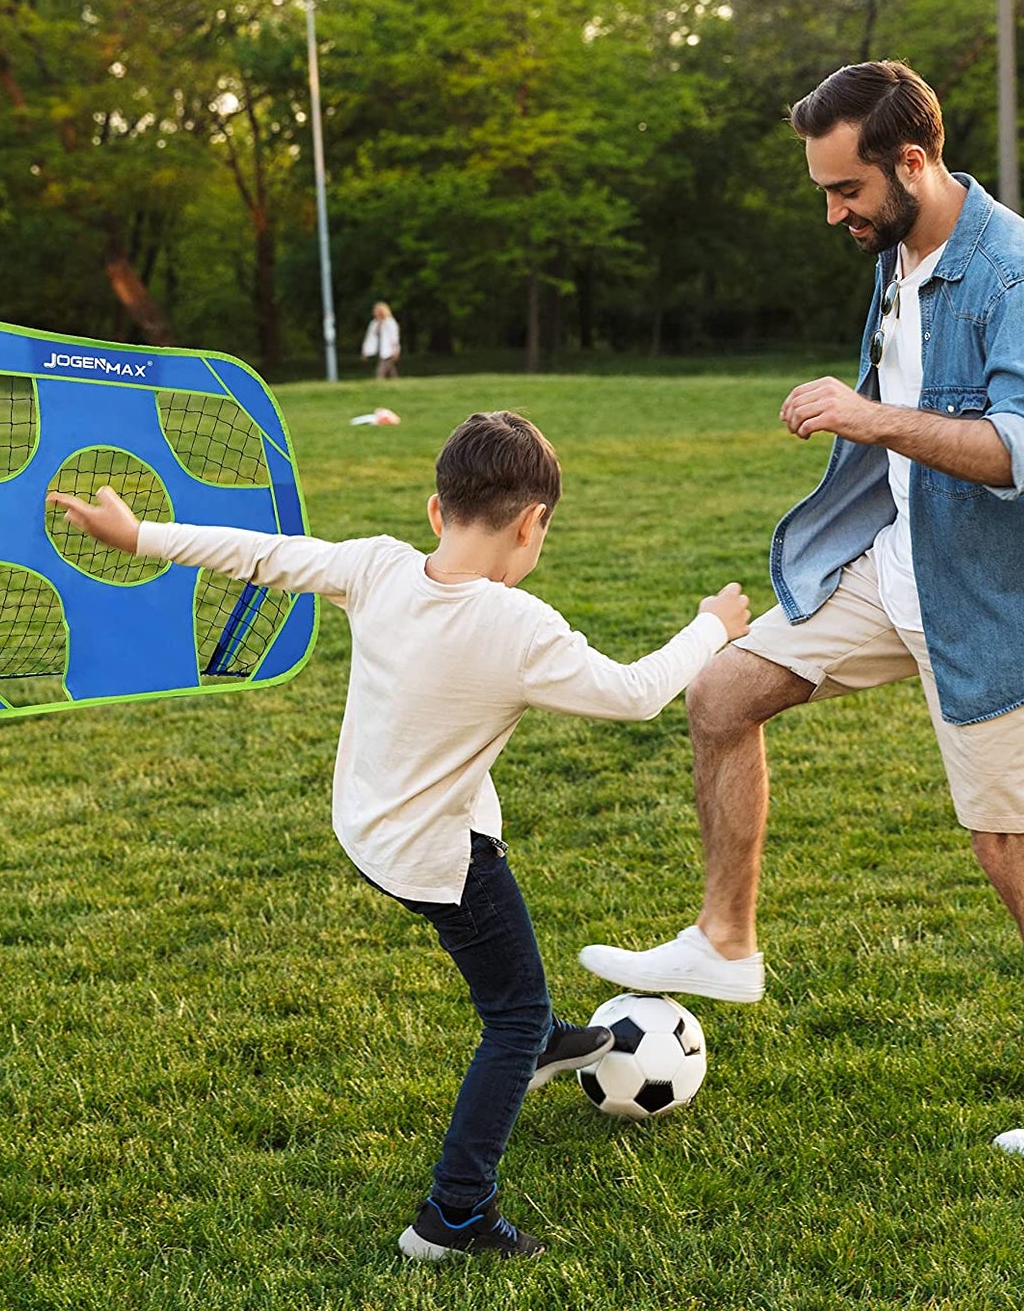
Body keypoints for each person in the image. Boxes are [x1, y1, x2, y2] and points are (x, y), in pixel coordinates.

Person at [580, 60, 1024, 1156]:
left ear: (911, 161)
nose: (833, 212)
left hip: (988, 601)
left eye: (844, 190)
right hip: (892, 567)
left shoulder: (1012, 276)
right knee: (721, 689)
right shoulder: (896, 251)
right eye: (823, 191)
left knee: (1010, 848)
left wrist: (868, 416)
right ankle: (724, 939)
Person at [48, 411, 751, 1258]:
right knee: (514, 1014)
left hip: (369, 829)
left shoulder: (377, 566)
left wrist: (138, 536)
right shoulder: (518, 626)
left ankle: (534, 1042)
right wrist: (714, 623)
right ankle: (454, 1213)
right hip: (441, 860)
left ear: (434, 510)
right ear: (530, 525)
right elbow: (637, 693)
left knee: (515, 997)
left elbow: (262, 554)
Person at [362, 301, 401, 379]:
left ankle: (379, 380)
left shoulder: (390, 322)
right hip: (378, 351)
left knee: (381, 371)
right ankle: (395, 382)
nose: (374, 312)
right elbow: (369, 337)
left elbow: (394, 337)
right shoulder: (374, 323)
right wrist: (365, 351)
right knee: (391, 372)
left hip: (388, 351)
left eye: (376, 310)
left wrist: (395, 350)